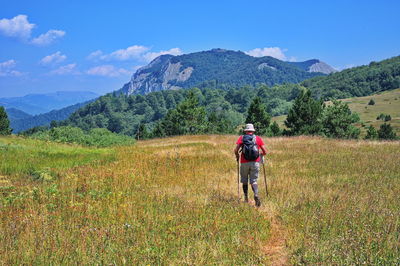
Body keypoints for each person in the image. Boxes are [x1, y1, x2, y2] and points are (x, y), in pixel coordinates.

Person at [234, 123, 267, 207]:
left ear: (246, 130)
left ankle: (246, 198)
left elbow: (236, 150)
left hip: (244, 162)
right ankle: (256, 194)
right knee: (254, 181)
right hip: (255, 162)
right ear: (253, 131)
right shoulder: (258, 138)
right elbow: (265, 151)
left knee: (244, 180)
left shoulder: (242, 138)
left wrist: (237, 156)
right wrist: (261, 154)